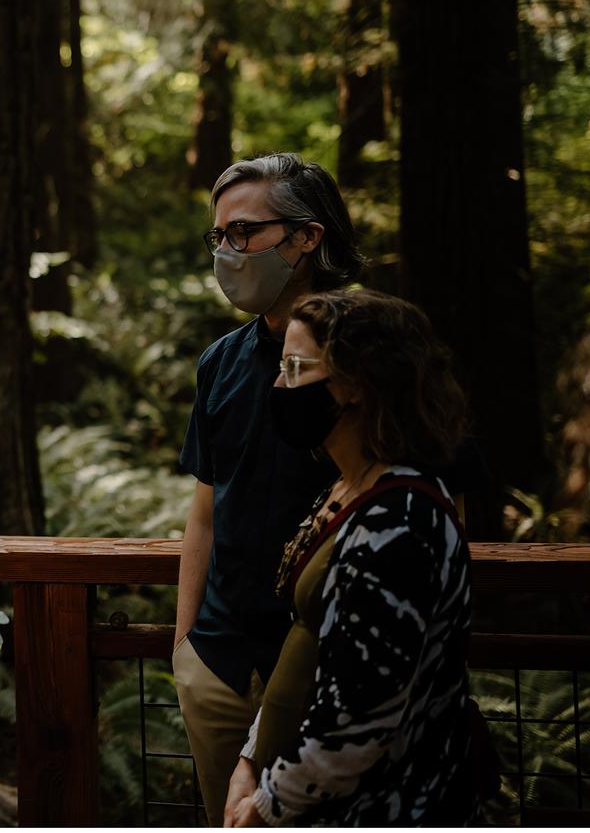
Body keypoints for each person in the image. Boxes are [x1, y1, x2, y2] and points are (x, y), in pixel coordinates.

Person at [224, 289, 475, 826]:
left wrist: (267, 806)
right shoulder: (348, 488)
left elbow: (359, 724)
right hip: (300, 786)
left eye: (295, 367)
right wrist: (250, 762)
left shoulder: (400, 523)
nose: (278, 384)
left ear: (357, 383)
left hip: (384, 809)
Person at [174, 154, 365, 824]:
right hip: (220, 666)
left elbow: (431, 493)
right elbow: (204, 513)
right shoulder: (220, 362)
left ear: (307, 236)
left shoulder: (376, 350)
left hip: (335, 669)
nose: (228, 251)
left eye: (245, 232)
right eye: (218, 236)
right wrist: (185, 648)